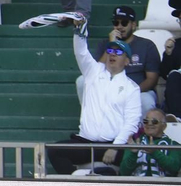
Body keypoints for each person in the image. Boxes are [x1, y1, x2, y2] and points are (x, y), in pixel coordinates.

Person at [49, 13, 142, 175]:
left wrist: (115, 147)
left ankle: (102, 175)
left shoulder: (132, 87)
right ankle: (74, 181)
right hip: (85, 142)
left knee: (130, 159)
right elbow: (81, 52)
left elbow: (132, 123)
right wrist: (79, 30)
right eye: (111, 50)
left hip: (113, 143)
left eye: (118, 52)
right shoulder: (93, 71)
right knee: (54, 151)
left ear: (127, 61)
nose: (112, 54)